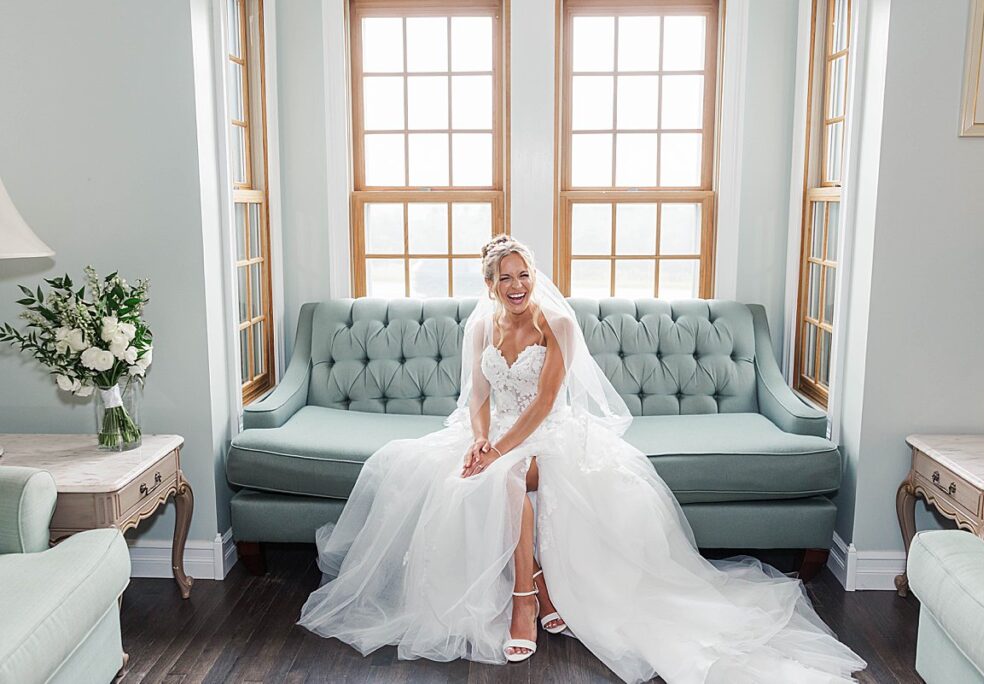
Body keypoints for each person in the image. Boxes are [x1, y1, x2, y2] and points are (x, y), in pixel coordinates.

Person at [298, 235, 867, 683]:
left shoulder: (558, 324)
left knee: (510, 471)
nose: (518, 285)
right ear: (491, 283)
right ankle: (539, 588)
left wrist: (496, 449)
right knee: (493, 478)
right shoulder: (482, 324)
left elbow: (545, 404)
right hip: (496, 436)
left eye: (525, 275)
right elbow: (476, 396)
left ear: (533, 277)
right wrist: (478, 441)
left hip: (548, 436)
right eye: (507, 278)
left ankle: (524, 602)